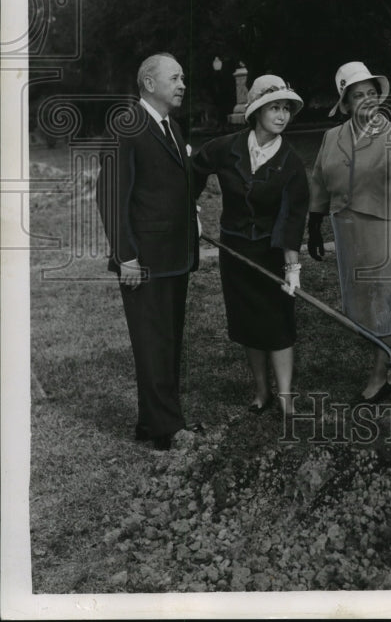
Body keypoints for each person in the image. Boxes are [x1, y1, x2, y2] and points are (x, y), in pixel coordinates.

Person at [96, 52, 200, 452]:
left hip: (174, 255)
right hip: (144, 259)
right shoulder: (128, 124)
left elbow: (172, 184)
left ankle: (154, 421)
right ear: (149, 83)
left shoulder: (171, 124)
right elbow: (109, 193)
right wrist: (127, 256)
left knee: (167, 342)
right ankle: (168, 429)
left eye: (183, 77)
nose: (183, 85)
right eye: (175, 78)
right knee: (153, 342)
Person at [191, 75, 309, 419]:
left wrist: (291, 269)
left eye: (287, 108)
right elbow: (194, 169)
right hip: (234, 250)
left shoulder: (291, 163)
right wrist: (191, 208)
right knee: (248, 323)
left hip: (271, 252)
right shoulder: (226, 147)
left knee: (278, 322)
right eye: (275, 107)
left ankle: (286, 396)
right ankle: (261, 391)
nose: (283, 114)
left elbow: (291, 220)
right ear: (257, 110)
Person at [307, 62, 391, 403]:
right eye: (358, 95)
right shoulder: (332, 137)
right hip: (346, 229)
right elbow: (319, 181)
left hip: (385, 229)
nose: (367, 100)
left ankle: (380, 375)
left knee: (386, 299)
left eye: (372, 93)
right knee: (360, 302)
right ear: (345, 103)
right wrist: (314, 227)